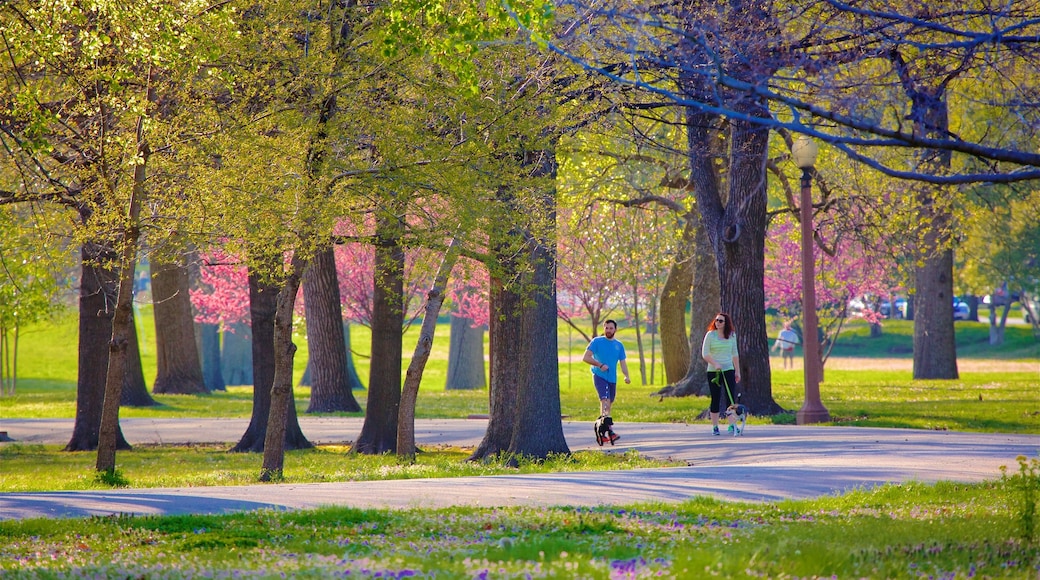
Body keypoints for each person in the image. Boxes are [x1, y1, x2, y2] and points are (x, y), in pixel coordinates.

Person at [582, 319, 630, 442]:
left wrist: (626, 376)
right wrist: (599, 365)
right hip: (599, 375)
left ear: (615, 329)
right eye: (606, 328)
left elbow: (623, 363)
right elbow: (585, 358)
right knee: (605, 400)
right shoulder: (597, 342)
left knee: (609, 403)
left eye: (611, 328)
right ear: (604, 329)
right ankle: (609, 431)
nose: (608, 330)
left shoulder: (619, 345)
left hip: (612, 378)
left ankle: (601, 429)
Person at [702, 312, 740, 436]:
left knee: (730, 398)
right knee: (716, 398)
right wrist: (715, 363)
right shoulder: (710, 335)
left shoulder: (732, 335)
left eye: (721, 321)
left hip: (728, 369)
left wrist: (737, 371)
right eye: (717, 320)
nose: (717, 323)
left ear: (726, 323)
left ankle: (732, 425)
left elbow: (735, 354)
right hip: (714, 371)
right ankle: (715, 426)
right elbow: (705, 353)